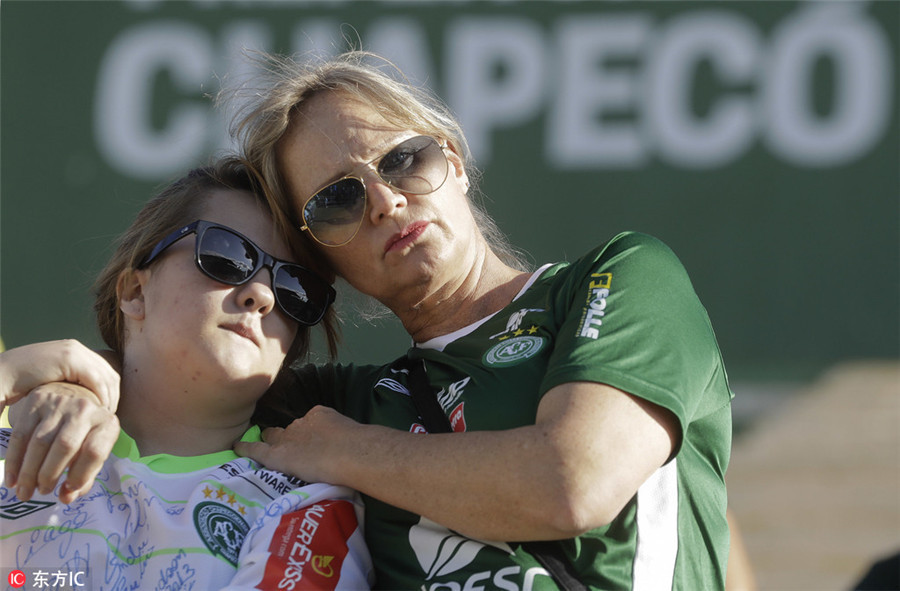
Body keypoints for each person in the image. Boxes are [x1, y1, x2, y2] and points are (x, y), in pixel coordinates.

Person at [2, 51, 734, 590]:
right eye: (338, 201)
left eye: (404, 159)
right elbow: (176, 380)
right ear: (328, 259)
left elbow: (571, 483)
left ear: (454, 160)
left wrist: (350, 452)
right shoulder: (344, 403)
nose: (385, 201)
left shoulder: (619, 277)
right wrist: (74, 383)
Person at [0, 159, 373, 590]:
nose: (262, 294)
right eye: (228, 255)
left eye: (295, 289)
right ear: (135, 292)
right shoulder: (16, 441)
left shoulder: (308, 504)